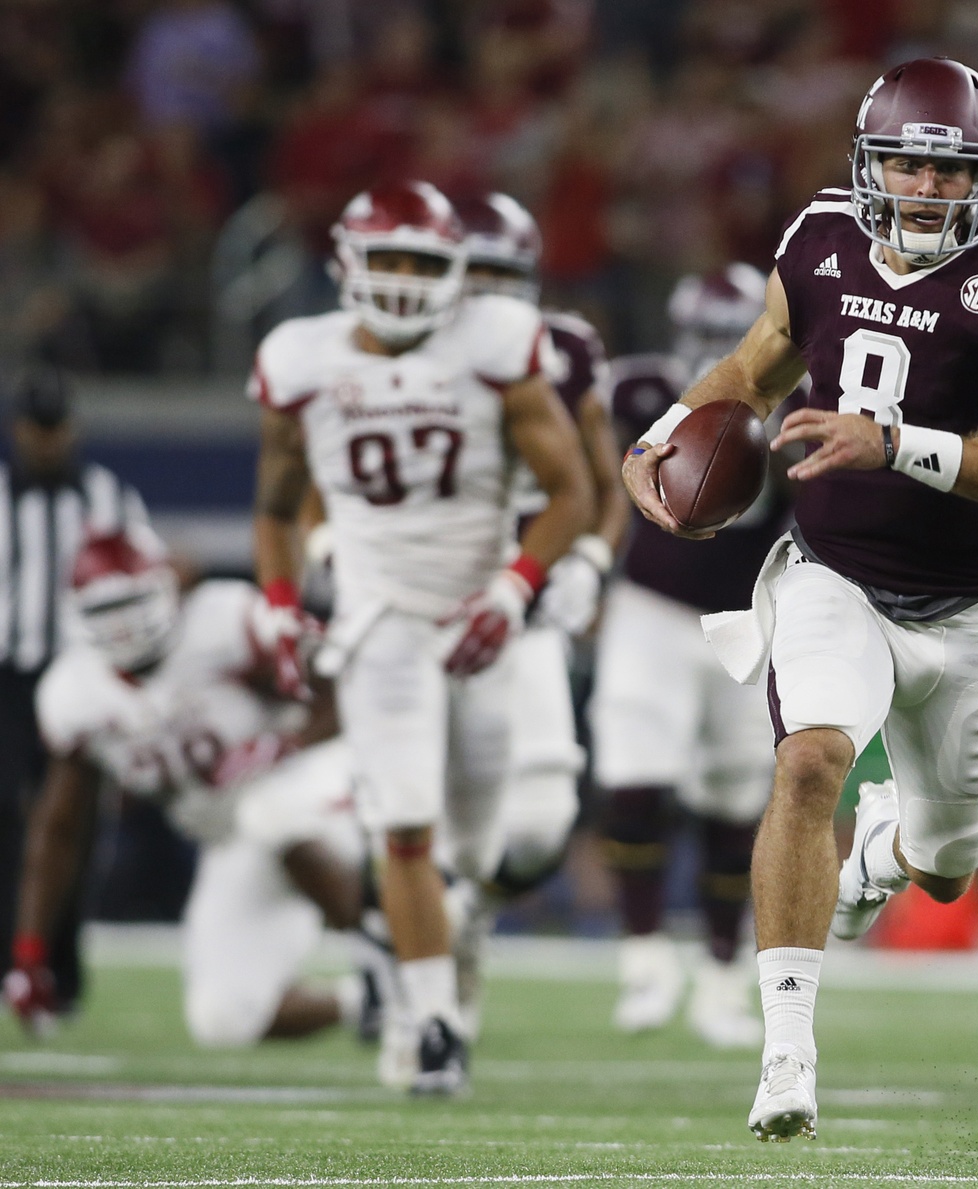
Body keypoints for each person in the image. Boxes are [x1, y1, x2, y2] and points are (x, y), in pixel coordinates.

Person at [620, 58, 978, 1140]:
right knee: (807, 760)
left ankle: (880, 851)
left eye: (947, 168)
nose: (924, 186)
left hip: (968, 607)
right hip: (834, 575)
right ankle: (784, 1053)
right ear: (867, 162)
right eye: (906, 161)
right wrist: (652, 446)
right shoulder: (821, 241)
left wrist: (892, 443)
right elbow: (754, 364)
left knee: (945, 867)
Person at [247, 181, 594, 1094]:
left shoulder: (496, 348)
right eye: (386, 260)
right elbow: (277, 504)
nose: (401, 281)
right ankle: (432, 1017)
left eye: (421, 262)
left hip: (480, 612)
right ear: (346, 265)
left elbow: (572, 492)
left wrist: (516, 592)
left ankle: (439, 954)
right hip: (377, 619)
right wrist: (283, 600)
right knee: (405, 823)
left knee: (478, 847)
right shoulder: (301, 357)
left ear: (459, 277)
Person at [5, 532, 369, 1048]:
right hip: (232, 837)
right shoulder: (76, 694)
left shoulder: (221, 622)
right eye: (107, 609)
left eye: (133, 603)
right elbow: (60, 828)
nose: (125, 624)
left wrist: (285, 744)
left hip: (314, 787)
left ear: (164, 589)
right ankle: (373, 998)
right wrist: (30, 953)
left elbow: (344, 689)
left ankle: (395, 950)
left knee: (270, 810)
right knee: (223, 1018)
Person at [594, 264, 795, 1049]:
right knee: (633, 779)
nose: (715, 351)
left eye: (729, 334)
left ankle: (718, 975)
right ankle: (644, 958)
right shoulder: (641, 391)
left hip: (747, 614)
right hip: (650, 608)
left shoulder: (801, 400)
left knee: (733, 800)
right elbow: (599, 474)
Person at [444, 191, 626, 1040]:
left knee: (543, 819)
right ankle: (403, 950)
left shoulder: (565, 351)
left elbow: (606, 474)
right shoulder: (397, 351)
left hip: (523, 600)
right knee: (414, 797)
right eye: (471, 272)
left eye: (501, 275)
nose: (484, 292)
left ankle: (468, 908)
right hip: (426, 598)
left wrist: (587, 558)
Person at [0, 367, 161, 1024]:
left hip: (83, 673)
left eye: (54, 426)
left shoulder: (107, 498)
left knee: (72, 826)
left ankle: (56, 971)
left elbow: (148, 575)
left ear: (71, 428)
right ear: (18, 429)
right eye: (35, 428)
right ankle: (21, 963)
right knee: (10, 823)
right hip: (9, 676)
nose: (45, 440)